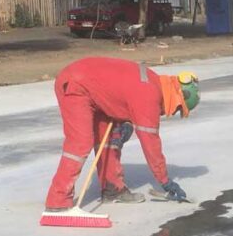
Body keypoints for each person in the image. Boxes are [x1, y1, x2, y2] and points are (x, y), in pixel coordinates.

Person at [44, 57, 199, 212]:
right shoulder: (150, 95)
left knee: (110, 139)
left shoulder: (155, 83)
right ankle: (57, 200)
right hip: (76, 84)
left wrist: (126, 123)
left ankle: (113, 189)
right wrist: (164, 180)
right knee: (80, 142)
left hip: (94, 88)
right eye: (179, 108)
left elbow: (122, 94)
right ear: (179, 97)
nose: (171, 112)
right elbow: (150, 143)